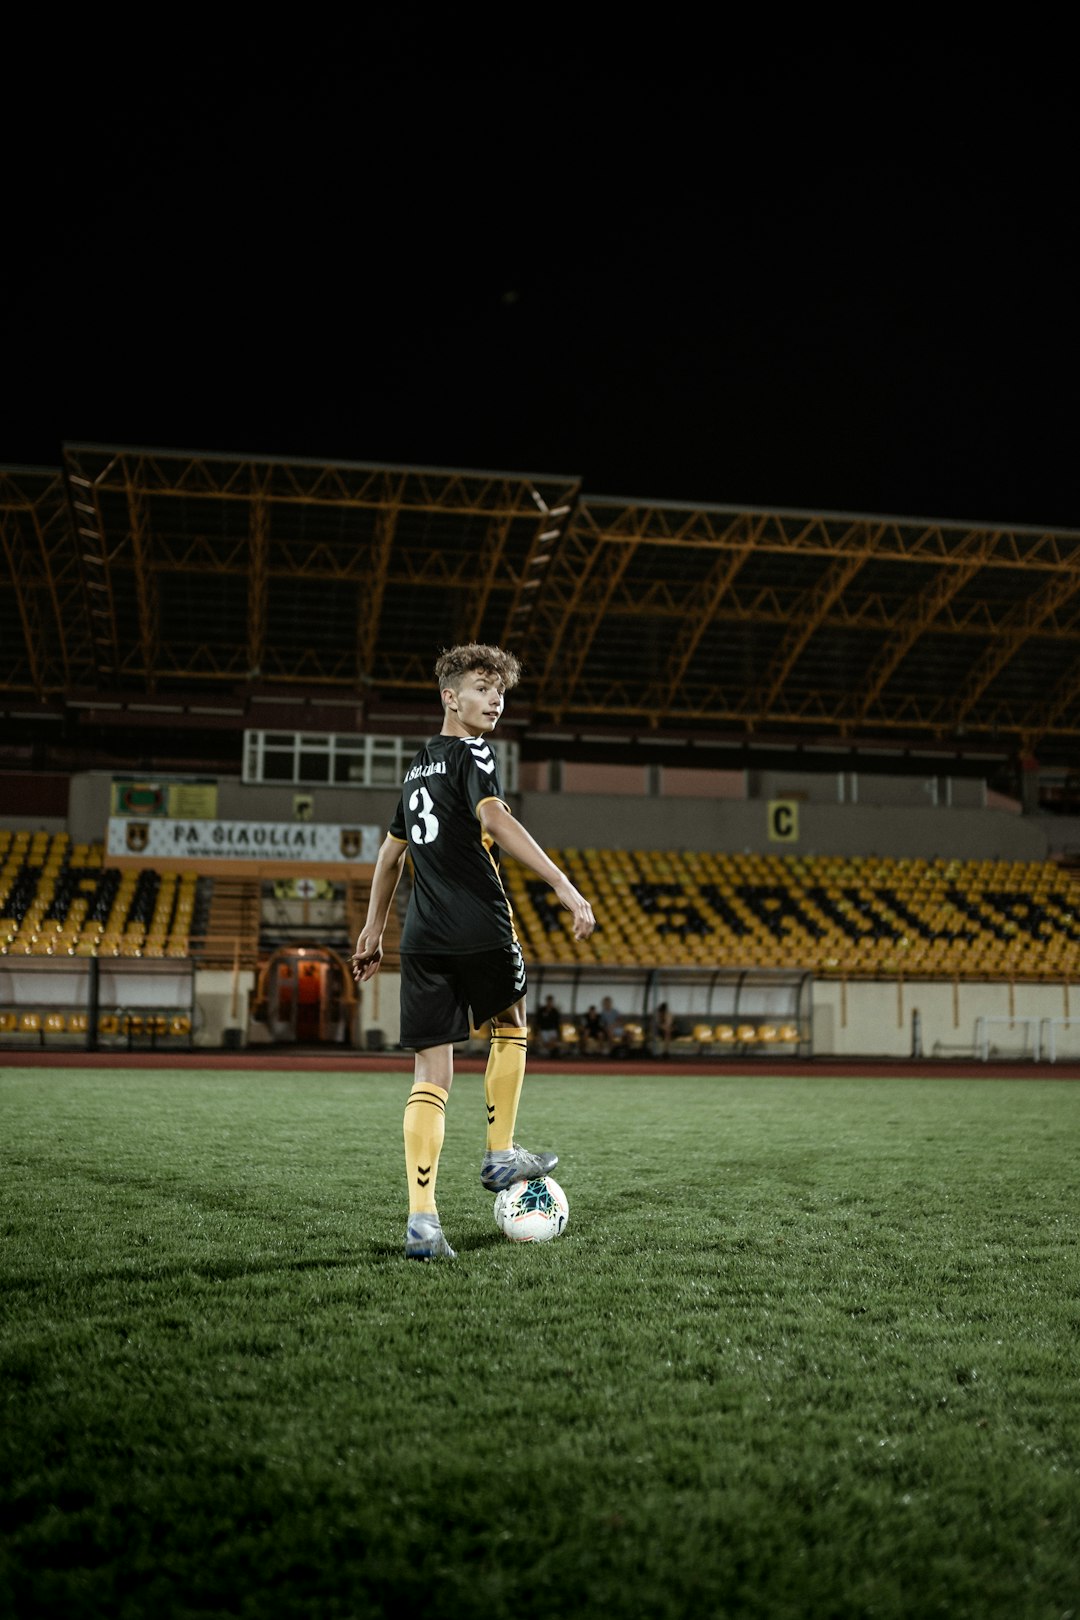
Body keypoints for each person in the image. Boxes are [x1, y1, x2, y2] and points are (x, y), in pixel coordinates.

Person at [351, 643, 596, 1261]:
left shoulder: (415, 767)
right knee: (510, 1022)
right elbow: (497, 818)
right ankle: (499, 1154)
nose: (496, 701)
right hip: (482, 925)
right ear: (450, 697)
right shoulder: (473, 752)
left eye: (501, 692)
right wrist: (564, 885)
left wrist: (372, 932)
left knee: (430, 1075)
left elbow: (389, 855)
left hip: (423, 938)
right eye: (484, 689)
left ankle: (423, 1224)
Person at [536, 992, 562, 1057]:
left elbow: (557, 1024)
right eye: (548, 1001)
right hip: (543, 1031)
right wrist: (538, 1033)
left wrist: (557, 1035)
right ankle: (547, 1050)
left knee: (555, 1043)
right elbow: (538, 1022)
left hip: (552, 1031)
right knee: (541, 1045)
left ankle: (551, 1051)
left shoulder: (555, 1011)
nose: (549, 1003)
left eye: (551, 1002)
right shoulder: (541, 1011)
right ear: (546, 1001)